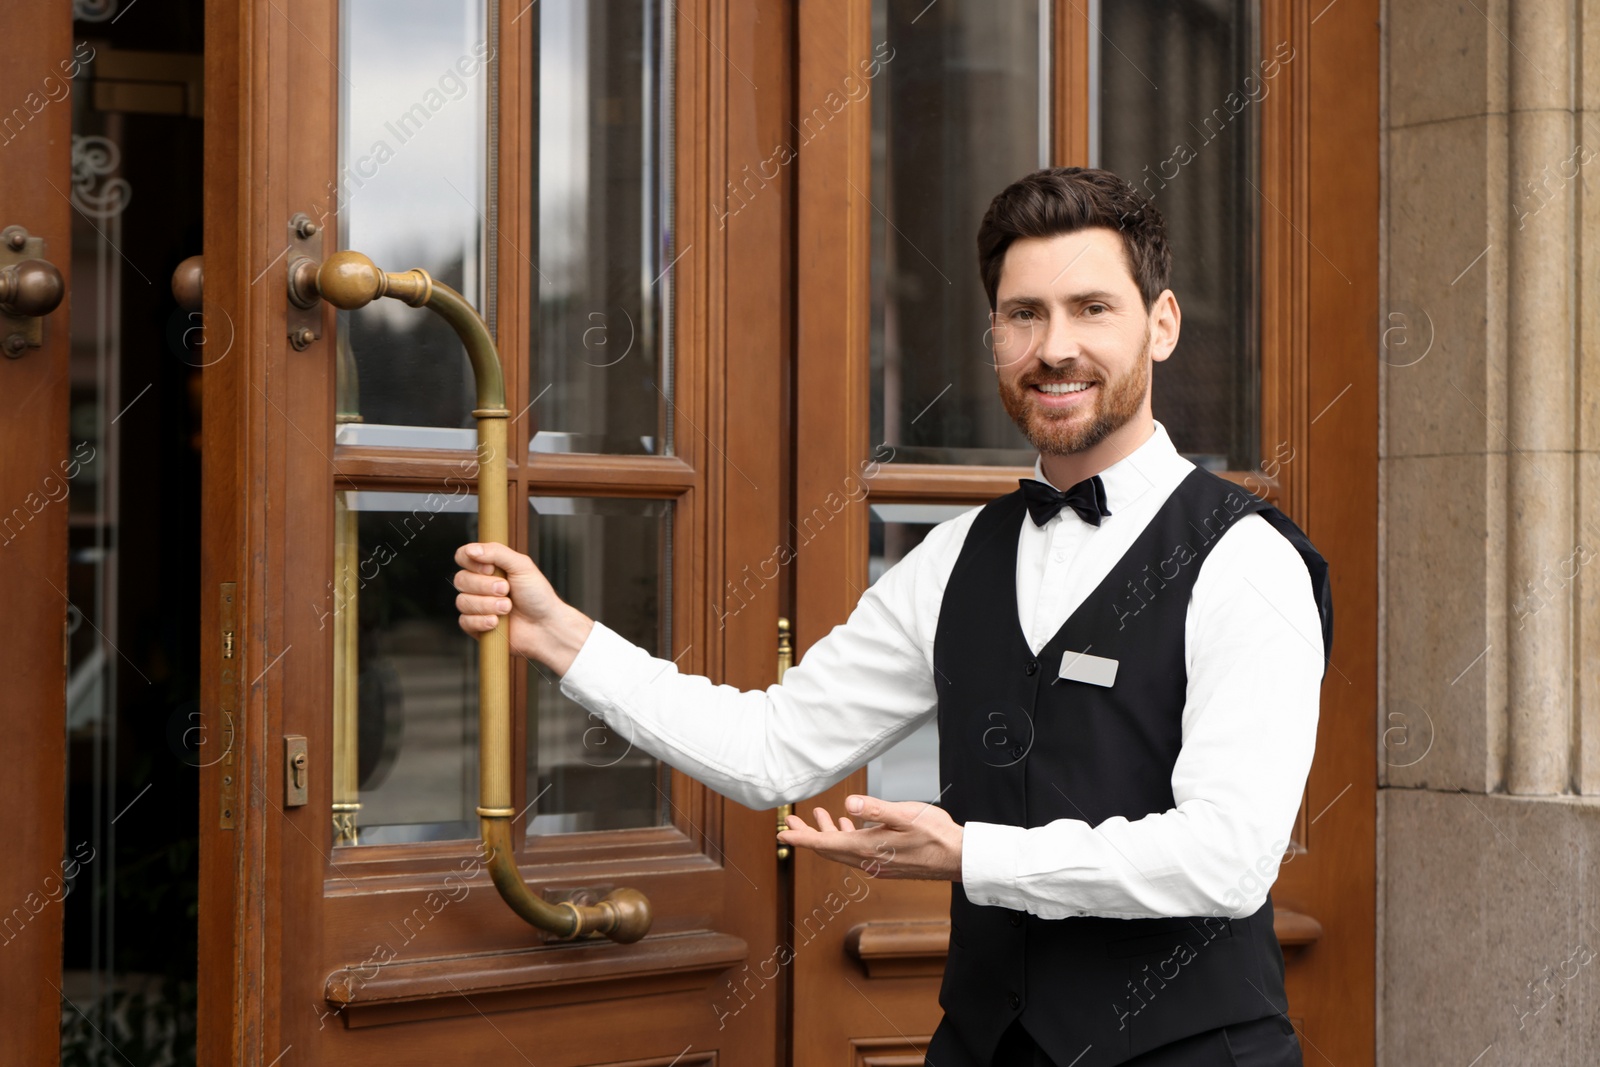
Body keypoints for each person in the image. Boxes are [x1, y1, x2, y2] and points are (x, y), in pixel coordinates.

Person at [453, 167, 1331, 1067]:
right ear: (994, 335)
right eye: (1024, 314)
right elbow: (773, 745)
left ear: (1163, 323)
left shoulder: (1247, 560)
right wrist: (558, 635)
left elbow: (1228, 856)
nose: (1054, 346)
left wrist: (973, 855)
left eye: (1091, 308)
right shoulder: (956, 560)